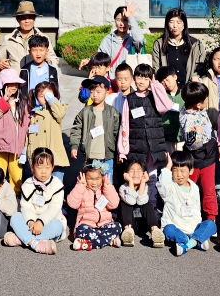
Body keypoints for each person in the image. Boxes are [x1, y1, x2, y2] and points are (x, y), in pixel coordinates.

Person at [117, 64, 174, 206]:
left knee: (152, 177)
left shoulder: (155, 96)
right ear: (134, 78)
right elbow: (124, 124)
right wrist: (122, 150)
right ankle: (135, 208)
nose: (141, 81)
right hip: (136, 146)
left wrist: (155, 84)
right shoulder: (129, 99)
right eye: (139, 77)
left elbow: (166, 106)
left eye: (146, 78)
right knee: (136, 176)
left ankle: (151, 206)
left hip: (153, 146)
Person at [3, 147, 66, 254]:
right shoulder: (27, 184)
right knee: (15, 217)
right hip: (31, 224)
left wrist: (41, 222)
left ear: (52, 167)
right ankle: (35, 243)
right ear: (32, 168)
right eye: (39, 167)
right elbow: (26, 207)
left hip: (49, 221)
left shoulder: (57, 184)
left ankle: (21, 239)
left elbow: (54, 208)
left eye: (47, 167)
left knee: (58, 225)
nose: (43, 172)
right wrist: (31, 221)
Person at [177, 81, 220, 226]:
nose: (208, 99)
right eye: (206, 98)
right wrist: (199, 134)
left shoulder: (193, 110)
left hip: (207, 156)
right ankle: (190, 217)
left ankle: (210, 218)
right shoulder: (189, 119)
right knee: (191, 190)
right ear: (199, 104)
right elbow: (192, 144)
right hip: (197, 158)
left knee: (207, 189)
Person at [158, 150, 215, 256]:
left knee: (211, 224)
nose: (179, 175)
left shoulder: (194, 187)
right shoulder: (170, 186)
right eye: (175, 170)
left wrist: (198, 226)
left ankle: (187, 245)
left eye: (183, 171)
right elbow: (162, 187)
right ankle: (197, 241)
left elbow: (197, 211)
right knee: (168, 229)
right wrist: (168, 166)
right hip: (176, 228)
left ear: (191, 171)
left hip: (193, 228)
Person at [0, 68, 32, 193]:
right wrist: (4, 100)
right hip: (2, 143)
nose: (13, 87)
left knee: (16, 174)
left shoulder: (23, 101)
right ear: (3, 85)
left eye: (15, 84)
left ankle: (14, 195)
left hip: (17, 144)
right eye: (10, 84)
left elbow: (27, 120)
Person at [69, 76, 120, 181]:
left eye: (98, 91)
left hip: (107, 157)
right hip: (90, 157)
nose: (95, 95)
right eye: (92, 92)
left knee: (107, 185)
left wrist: (118, 150)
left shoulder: (112, 112)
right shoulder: (85, 112)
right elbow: (76, 129)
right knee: (90, 184)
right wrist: (74, 145)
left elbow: (117, 132)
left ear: (107, 92)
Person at [79, 2, 146, 76]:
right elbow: (101, 58)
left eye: (125, 20)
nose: (122, 23)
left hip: (128, 81)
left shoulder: (133, 39)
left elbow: (140, 39)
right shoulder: (107, 40)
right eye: (118, 19)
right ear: (115, 21)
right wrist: (89, 60)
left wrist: (131, 17)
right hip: (112, 81)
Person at [68, 165, 122, 250]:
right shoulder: (82, 189)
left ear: (102, 178)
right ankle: (109, 240)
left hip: (104, 224)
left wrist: (108, 188)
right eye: (90, 179)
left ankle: (85, 244)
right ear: (84, 177)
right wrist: (80, 186)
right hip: (87, 226)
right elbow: (72, 204)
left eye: (97, 179)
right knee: (80, 229)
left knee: (117, 226)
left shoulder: (104, 189)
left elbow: (114, 204)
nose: (94, 183)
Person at [26, 81, 69, 181]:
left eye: (48, 95)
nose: (45, 98)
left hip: (55, 159)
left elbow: (59, 113)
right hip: (39, 161)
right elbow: (29, 138)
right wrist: (28, 155)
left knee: (56, 189)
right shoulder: (34, 115)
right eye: (41, 96)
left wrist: (51, 99)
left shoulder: (56, 111)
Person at [150, 8, 205, 84]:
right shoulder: (159, 44)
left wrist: (194, 79)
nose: (175, 26)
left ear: (184, 24)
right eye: (171, 22)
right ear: (167, 24)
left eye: (179, 22)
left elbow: (200, 67)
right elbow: (156, 67)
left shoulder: (195, 44)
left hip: (188, 90)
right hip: (166, 89)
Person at [117, 160, 164, 248]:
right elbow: (131, 201)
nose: (135, 173)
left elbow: (141, 201)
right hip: (129, 224)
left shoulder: (146, 187)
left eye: (139, 171)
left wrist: (143, 182)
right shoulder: (122, 188)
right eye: (132, 170)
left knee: (146, 203)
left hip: (143, 223)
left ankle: (155, 230)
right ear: (126, 174)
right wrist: (130, 182)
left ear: (144, 174)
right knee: (125, 203)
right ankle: (128, 232)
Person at [0, 1, 58, 70]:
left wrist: (50, 62)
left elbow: (53, 58)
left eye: (30, 17)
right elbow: (0, 60)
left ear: (34, 19)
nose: (27, 21)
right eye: (23, 18)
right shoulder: (8, 39)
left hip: (36, 79)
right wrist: (0, 63)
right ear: (18, 20)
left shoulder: (43, 38)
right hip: (15, 80)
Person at [156, 66, 183, 155]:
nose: (166, 84)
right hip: (166, 135)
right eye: (163, 83)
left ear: (175, 77)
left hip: (181, 136)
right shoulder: (161, 96)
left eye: (167, 80)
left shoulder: (185, 93)